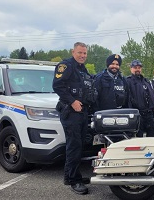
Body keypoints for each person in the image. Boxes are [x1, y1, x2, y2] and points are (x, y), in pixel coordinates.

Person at [53, 42, 95, 195]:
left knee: (78, 144)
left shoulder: (82, 69)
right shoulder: (66, 65)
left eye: (85, 53)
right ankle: (74, 180)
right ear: (73, 52)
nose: (83, 56)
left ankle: (69, 176)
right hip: (70, 112)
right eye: (80, 53)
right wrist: (72, 101)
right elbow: (57, 85)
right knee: (74, 146)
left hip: (81, 112)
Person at [126, 60, 154, 137]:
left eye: (139, 68)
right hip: (137, 114)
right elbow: (127, 99)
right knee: (139, 138)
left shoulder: (145, 81)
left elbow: (151, 95)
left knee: (153, 136)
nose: (137, 69)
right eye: (135, 67)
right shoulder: (128, 81)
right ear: (131, 69)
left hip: (148, 113)